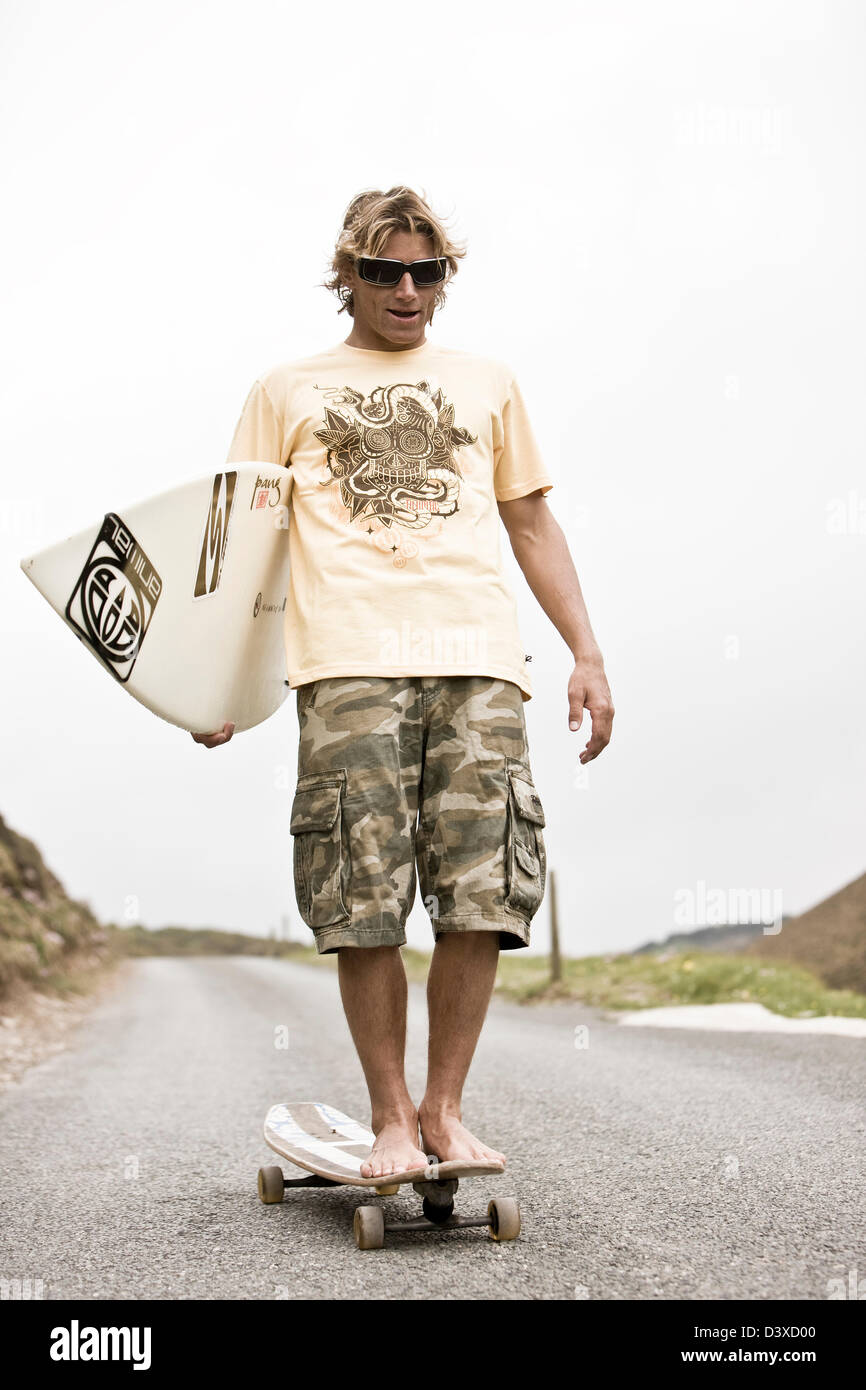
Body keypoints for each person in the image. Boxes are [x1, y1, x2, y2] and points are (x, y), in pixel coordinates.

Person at [193, 186, 614, 1178]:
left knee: (485, 889)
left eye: (427, 271)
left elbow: (529, 523)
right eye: (384, 271)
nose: (407, 289)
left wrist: (584, 653)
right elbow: (239, 536)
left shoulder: (487, 381)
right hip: (345, 666)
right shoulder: (284, 388)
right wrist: (210, 681)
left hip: (477, 664)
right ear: (347, 274)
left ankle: (442, 1111)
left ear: (443, 277)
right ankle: (387, 1117)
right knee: (359, 892)